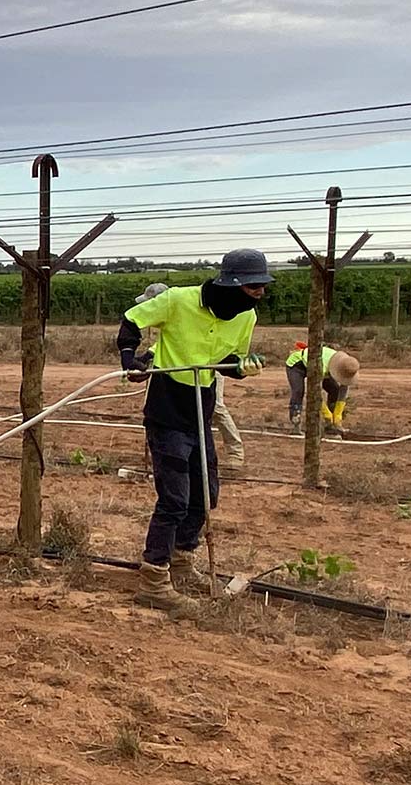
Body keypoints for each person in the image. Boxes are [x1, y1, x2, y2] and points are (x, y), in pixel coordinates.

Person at [116, 250, 271, 610]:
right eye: (254, 286)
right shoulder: (177, 300)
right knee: (174, 499)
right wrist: (130, 359)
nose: (261, 293)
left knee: (205, 494)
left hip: (201, 408)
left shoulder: (246, 316)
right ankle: (154, 579)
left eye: (263, 286)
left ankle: (182, 560)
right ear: (231, 284)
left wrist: (242, 368)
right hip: (167, 408)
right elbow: (131, 322)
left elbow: (228, 362)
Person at [135, 283, 245, 470]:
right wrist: (149, 356)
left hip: (207, 368)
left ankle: (235, 451)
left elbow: (193, 342)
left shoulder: (186, 310)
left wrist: (149, 355)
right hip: (180, 372)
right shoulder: (168, 315)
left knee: (217, 408)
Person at [285, 343, 361, 436]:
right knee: (298, 391)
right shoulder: (321, 367)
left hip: (320, 367)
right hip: (297, 365)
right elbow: (315, 392)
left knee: (335, 391)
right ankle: (295, 425)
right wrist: (326, 414)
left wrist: (338, 414)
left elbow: (343, 390)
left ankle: (330, 427)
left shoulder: (347, 366)